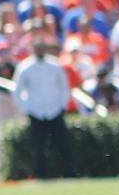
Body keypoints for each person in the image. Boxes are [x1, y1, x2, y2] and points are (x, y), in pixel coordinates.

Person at [14, 37, 74, 179]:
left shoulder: (55, 65)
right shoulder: (25, 67)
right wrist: (26, 108)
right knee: (38, 147)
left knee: (62, 145)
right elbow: (17, 90)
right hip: (36, 112)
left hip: (55, 110)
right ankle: (40, 175)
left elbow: (64, 87)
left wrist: (61, 106)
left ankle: (68, 174)